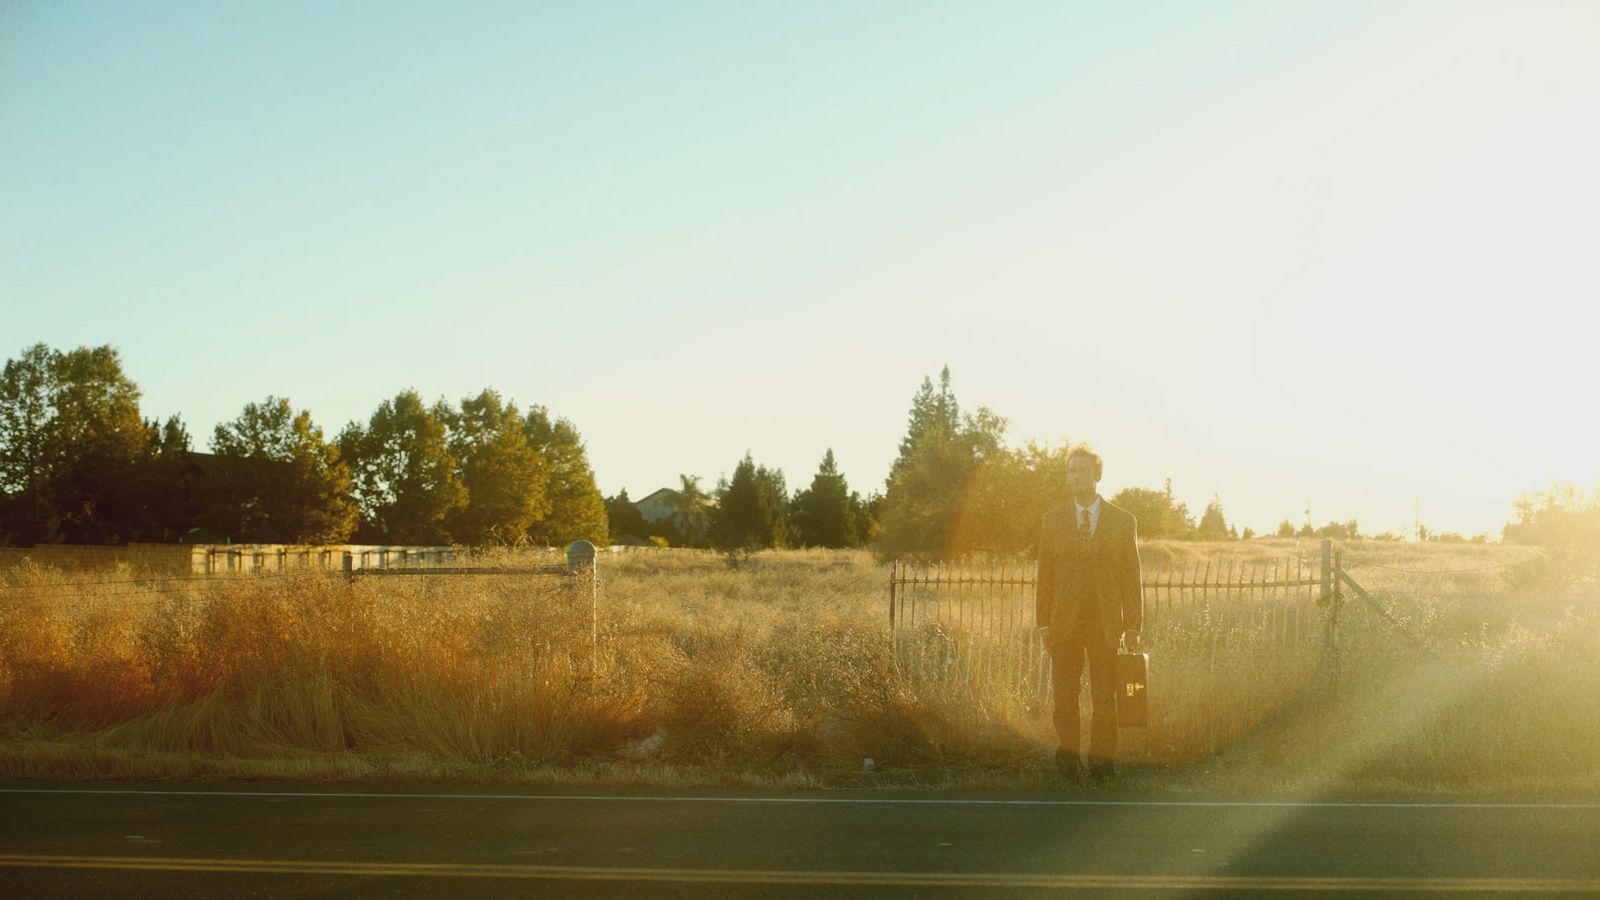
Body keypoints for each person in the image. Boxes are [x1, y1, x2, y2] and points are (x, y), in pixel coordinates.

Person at [1036, 444, 1142, 780]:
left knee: (1104, 696)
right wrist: (1042, 623)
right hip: (1064, 622)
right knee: (1065, 696)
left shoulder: (1123, 521)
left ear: (1097, 475)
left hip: (1106, 621)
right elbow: (1045, 576)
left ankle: (1101, 762)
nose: (1075, 476)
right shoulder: (1052, 522)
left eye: (1082, 470)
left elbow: (1132, 577)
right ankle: (1068, 761)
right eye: (1070, 471)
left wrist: (1133, 625)